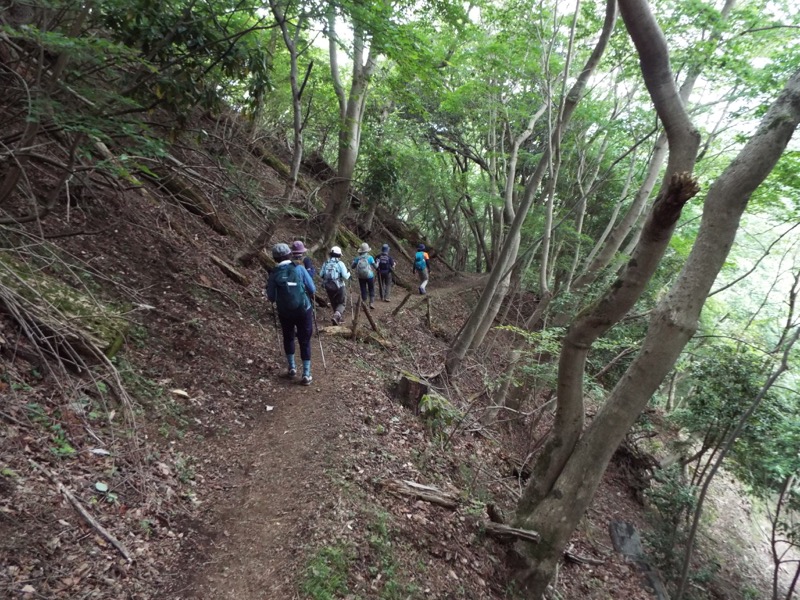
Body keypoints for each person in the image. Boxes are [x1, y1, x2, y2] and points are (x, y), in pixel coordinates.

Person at [266, 243, 315, 385]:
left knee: (288, 338)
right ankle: (306, 374)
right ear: (289, 254)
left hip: (284, 312)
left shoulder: (274, 274)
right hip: (303, 309)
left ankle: (292, 367)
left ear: (275, 258)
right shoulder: (299, 269)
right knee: (304, 340)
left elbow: (271, 297)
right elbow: (312, 288)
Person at [320, 245, 351, 325]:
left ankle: (337, 318)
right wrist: (349, 273)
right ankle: (336, 316)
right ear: (339, 255)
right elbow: (345, 276)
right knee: (342, 302)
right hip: (339, 286)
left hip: (328, 286)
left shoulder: (326, 263)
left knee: (333, 302)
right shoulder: (340, 263)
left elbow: (321, 274)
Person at [351, 242, 377, 309]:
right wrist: (377, 264)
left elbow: (352, 266)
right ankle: (371, 303)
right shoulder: (370, 257)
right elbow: (376, 266)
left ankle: (364, 304)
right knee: (371, 288)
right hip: (369, 276)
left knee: (363, 289)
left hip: (361, 276)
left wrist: (353, 262)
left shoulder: (357, 258)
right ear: (367, 250)